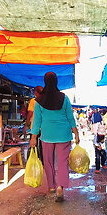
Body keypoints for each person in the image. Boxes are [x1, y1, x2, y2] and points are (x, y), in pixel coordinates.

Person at [30, 72, 79, 202]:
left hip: (47, 135)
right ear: (56, 82)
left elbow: (36, 121)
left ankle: (51, 186)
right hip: (63, 135)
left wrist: (33, 137)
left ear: (45, 82)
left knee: (48, 162)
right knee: (63, 162)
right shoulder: (64, 98)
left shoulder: (39, 101)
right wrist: (76, 132)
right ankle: (60, 187)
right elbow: (70, 117)